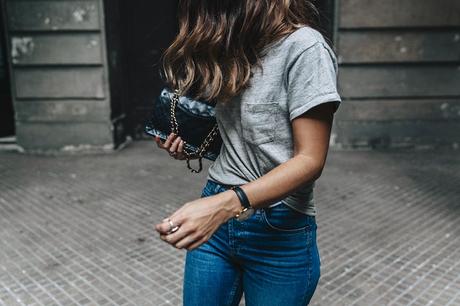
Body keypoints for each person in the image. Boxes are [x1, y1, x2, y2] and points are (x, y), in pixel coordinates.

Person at [153, 1, 342, 305]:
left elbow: (310, 160)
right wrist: (190, 147)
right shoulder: (234, 48)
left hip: (279, 227)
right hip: (217, 217)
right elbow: (242, 137)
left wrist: (225, 205)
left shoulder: (306, 49)